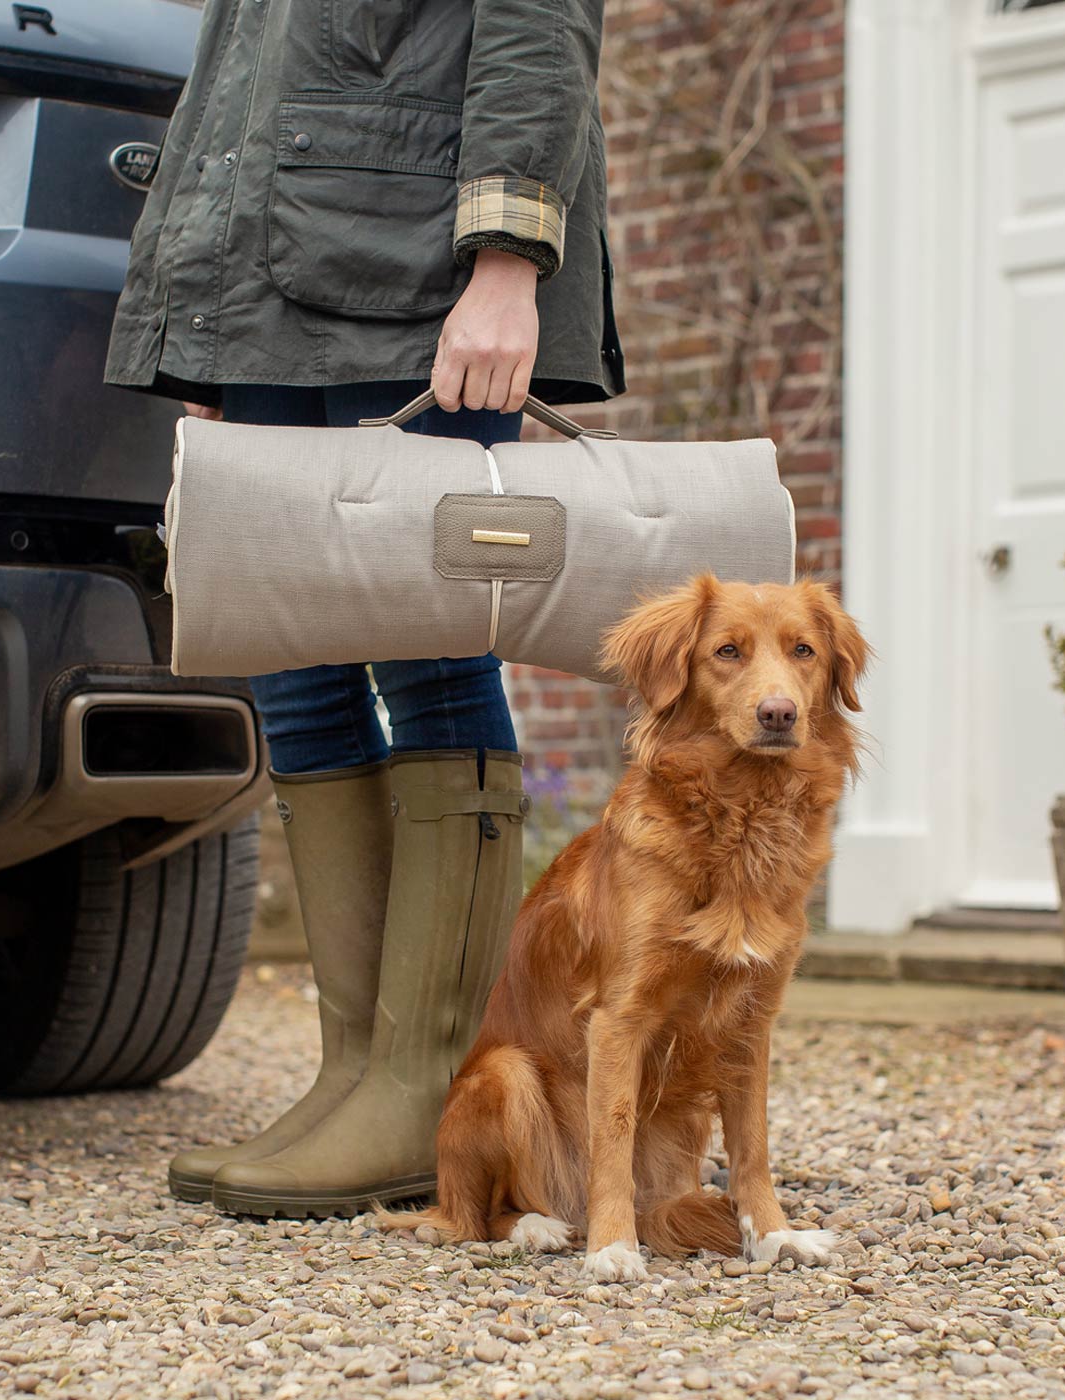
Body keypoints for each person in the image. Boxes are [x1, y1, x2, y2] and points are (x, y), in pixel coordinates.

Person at [104, 0, 625, 1219]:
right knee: (290, 648)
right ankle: (356, 1067)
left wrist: (508, 262)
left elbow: (534, 23)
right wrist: (211, 325)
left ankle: (427, 1082)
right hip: (274, 276)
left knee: (427, 639)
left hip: (414, 265)